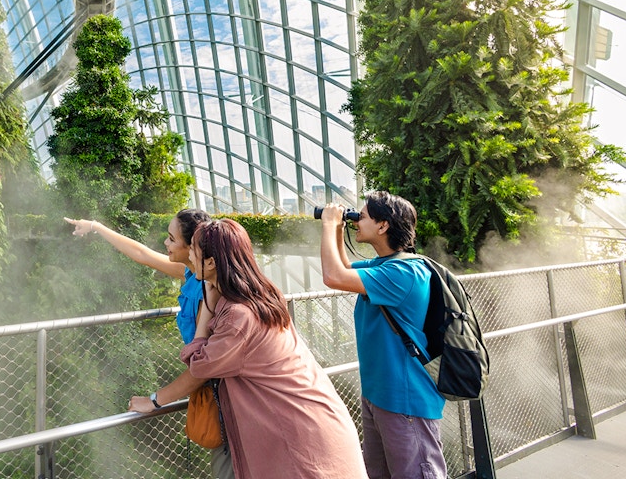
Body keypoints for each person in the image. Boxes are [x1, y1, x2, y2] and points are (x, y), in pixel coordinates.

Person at [182, 218, 368, 479]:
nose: (189, 254)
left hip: (300, 441)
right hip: (314, 422)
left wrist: (205, 315)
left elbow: (200, 365)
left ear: (211, 262)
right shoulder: (264, 296)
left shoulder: (238, 316)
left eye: (192, 248)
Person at [65, 212, 234, 479]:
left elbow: (206, 365)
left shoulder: (210, 289)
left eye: (171, 238)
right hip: (214, 391)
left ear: (193, 248)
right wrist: (96, 227)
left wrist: (154, 401)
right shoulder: (193, 273)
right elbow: (142, 254)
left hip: (228, 397)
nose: (165, 244)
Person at [318, 192, 447, 479]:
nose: (356, 222)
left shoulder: (405, 271)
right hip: (378, 397)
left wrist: (328, 225)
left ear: (383, 226)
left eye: (361, 217)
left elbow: (332, 276)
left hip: (405, 400)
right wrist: (338, 228)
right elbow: (344, 269)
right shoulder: (384, 266)